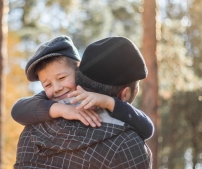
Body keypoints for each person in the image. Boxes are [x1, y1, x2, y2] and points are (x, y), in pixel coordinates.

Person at [13, 36, 152, 168]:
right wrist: (62, 110)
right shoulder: (126, 143)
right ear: (125, 94)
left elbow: (147, 127)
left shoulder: (31, 130)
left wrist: (109, 102)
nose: (56, 88)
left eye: (61, 78)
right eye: (47, 85)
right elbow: (17, 110)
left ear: (78, 71)